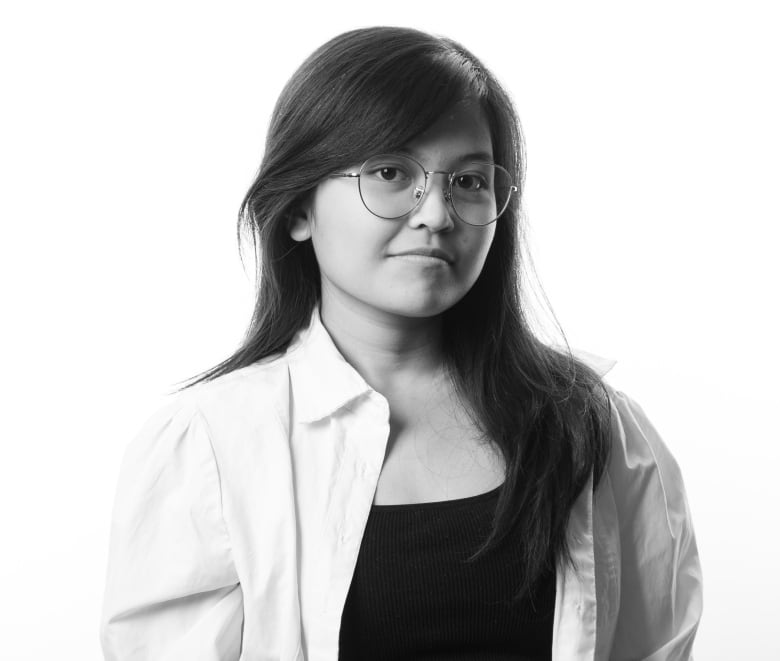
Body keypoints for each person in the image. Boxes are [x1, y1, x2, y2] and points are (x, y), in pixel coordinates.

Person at [100, 26, 703, 661]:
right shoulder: (210, 448)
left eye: (470, 181)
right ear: (299, 208)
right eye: (390, 172)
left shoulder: (595, 426)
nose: (437, 213)